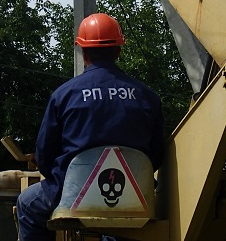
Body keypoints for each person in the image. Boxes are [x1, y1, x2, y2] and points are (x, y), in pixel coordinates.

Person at [16, 13, 165, 241]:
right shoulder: (148, 97)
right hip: (131, 196)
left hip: (72, 191)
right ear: (118, 51)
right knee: (121, 223)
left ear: (83, 52)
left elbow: (45, 155)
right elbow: (156, 154)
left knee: (27, 203)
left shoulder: (64, 95)